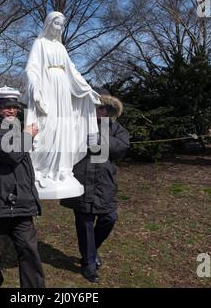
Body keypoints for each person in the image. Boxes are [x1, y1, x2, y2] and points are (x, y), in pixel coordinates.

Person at [0, 86, 45, 288]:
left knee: (29, 250)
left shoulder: (17, 129)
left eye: (14, 107)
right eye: (7, 107)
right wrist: (28, 136)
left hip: (21, 201)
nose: (12, 111)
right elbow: (10, 152)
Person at [24, 11, 101, 197]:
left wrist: (86, 88)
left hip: (63, 89)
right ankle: (42, 168)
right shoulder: (39, 44)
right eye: (56, 23)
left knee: (64, 126)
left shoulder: (61, 48)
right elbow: (31, 68)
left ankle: (62, 169)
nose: (59, 27)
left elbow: (72, 70)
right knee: (48, 126)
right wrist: (35, 86)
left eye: (61, 24)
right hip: (47, 86)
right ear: (49, 24)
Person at [60, 93, 130, 283]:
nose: (101, 110)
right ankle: (88, 263)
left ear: (109, 110)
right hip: (81, 181)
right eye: (98, 107)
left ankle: (91, 250)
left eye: (105, 107)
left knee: (109, 217)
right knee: (85, 224)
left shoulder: (116, 129)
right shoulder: (78, 125)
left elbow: (122, 147)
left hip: (104, 183)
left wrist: (99, 139)